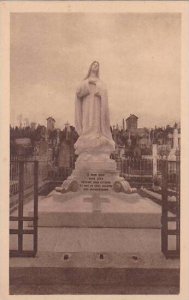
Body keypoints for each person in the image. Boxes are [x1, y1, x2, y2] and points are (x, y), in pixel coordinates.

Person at [74, 61, 115, 160]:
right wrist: (88, 84)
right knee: (87, 121)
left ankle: (97, 135)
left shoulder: (101, 83)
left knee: (96, 121)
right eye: (94, 64)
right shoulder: (84, 82)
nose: (95, 66)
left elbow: (104, 93)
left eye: (97, 65)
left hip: (97, 105)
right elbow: (78, 92)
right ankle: (87, 136)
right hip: (87, 105)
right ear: (90, 67)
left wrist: (100, 92)